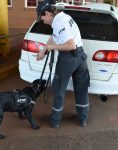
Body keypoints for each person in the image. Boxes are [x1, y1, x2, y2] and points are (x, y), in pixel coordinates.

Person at [36, 0, 90, 128]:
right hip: (81, 57)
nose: (42, 20)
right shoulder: (63, 17)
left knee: (59, 90)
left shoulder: (58, 22)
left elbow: (71, 45)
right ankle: (83, 119)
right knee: (82, 89)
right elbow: (55, 36)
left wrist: (51, 47)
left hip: (68, 59)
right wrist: (44, 50)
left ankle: (55, 121)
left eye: (42, 17)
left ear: (48, 13)